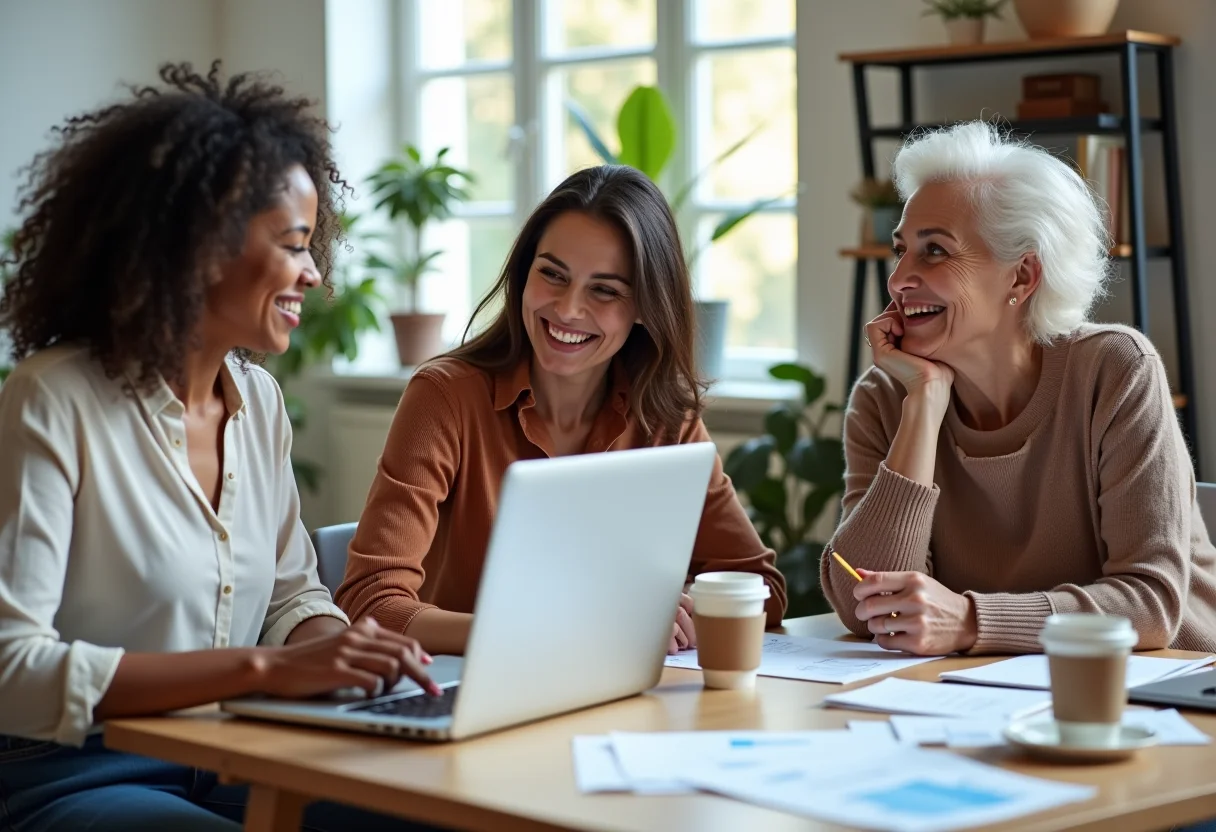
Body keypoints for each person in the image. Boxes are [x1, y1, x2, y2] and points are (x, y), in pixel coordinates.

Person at [0, 62, 443, 831]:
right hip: (73, 773)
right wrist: (270, 669)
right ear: (202, 246)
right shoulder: (52, 399)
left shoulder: (259, 402)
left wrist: (344, 657)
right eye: (295, 245)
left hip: (242, 749)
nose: (315, 274)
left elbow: (289, 594)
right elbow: (11, 670)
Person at [336, 165, 787, 655]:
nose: (568, 309)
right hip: (463, 694)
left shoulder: (665, 416)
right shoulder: (445, 397)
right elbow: (370, 602)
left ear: (644, 306)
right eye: (552, 274)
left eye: (605, 290)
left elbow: (760, 586)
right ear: (523, 274)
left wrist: (677, 606)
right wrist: (558, 631)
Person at [820, 120, 1216, 657]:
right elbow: (863, 601)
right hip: (978, 695)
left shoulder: (1115, 370)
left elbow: (1149, 605)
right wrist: (924, 406)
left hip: (1163, 695)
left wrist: (970, 621)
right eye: (902, 250)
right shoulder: (887, 396)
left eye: (935, 251)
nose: (898, 279)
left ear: (1023, 276)